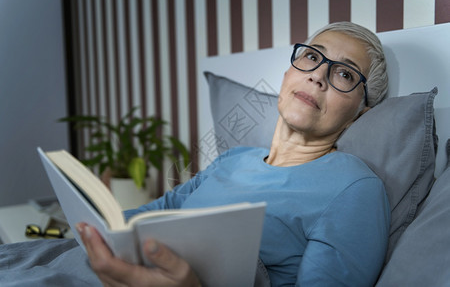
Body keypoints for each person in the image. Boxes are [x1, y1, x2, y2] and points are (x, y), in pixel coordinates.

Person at [77, 21, 390, 286]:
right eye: (311, 57)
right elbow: (155, 213)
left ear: (359, 114)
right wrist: (94, 228)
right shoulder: (234, 158)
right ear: (286, 76)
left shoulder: (355, 189)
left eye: (345, 75)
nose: (318, 75)